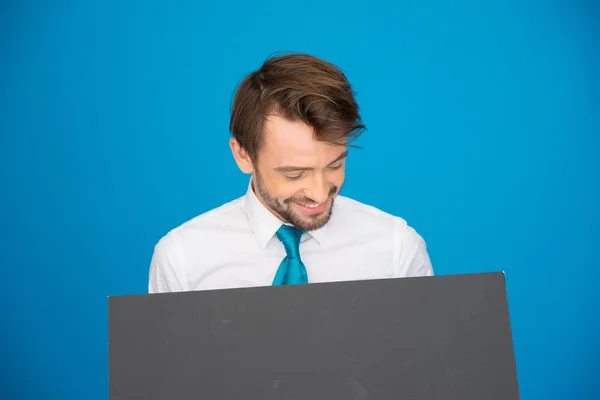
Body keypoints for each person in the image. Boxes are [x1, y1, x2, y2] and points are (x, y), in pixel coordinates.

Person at [148, 52, 433, 293]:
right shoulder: (182, 259)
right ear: (243, 154)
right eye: (294, 174)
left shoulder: (397, 248)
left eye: (335, 165)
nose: (319, 192)